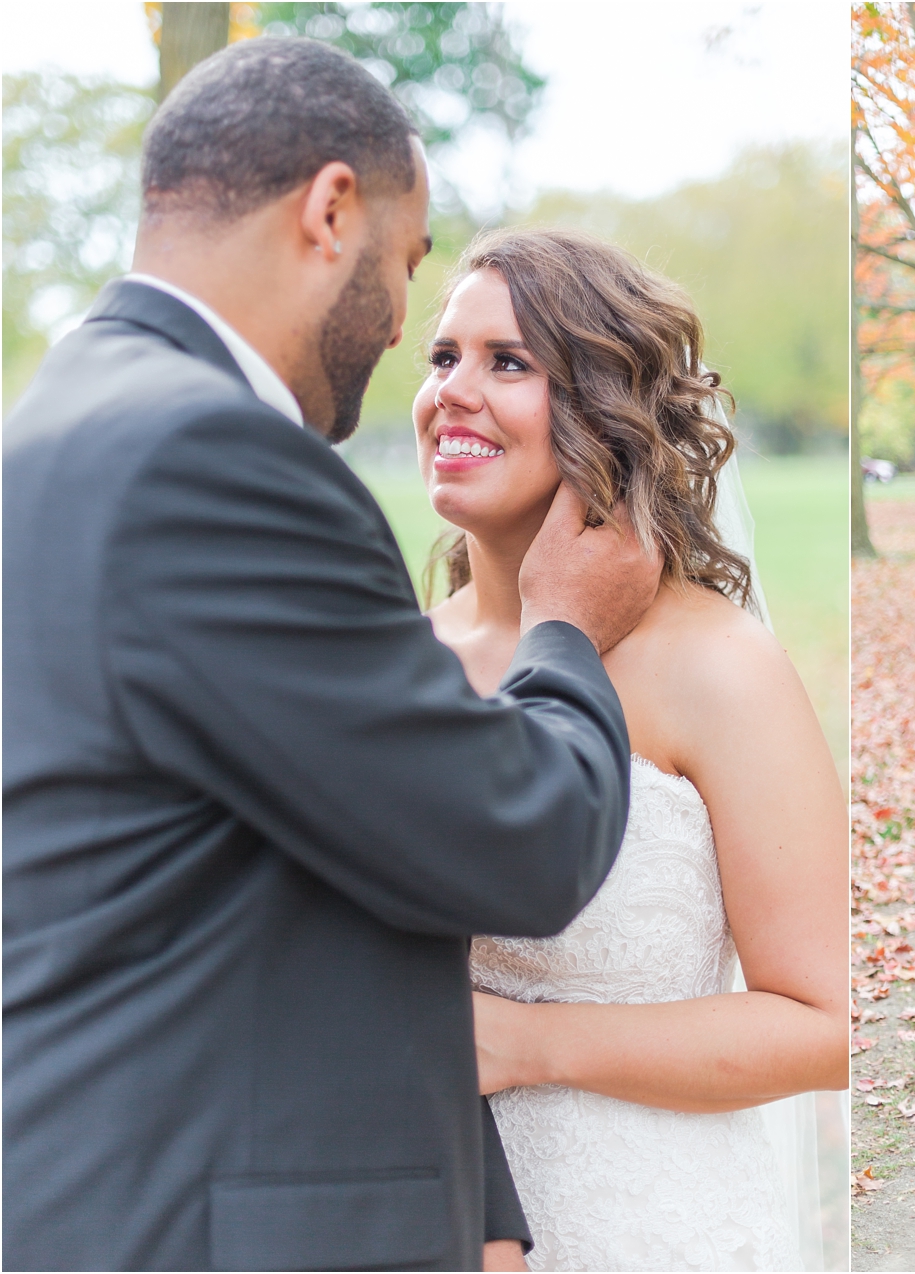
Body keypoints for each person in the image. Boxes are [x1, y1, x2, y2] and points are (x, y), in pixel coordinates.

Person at [3, 41, 657, 1271]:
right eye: (409, 266)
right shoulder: (216, 460)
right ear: (331, 210)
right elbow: (519, 837)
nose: (404, 324)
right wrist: (565, 629)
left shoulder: (52, 425)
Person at [413, 229, 847, 1271]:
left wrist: (528, 1044)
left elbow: (824, 1022)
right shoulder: (398, 662)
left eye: (507, 362)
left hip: (652, 1219)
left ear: (601, 406)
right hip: (433, 1217)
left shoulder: (715, 665)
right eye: (442, 357)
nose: (453, 392)